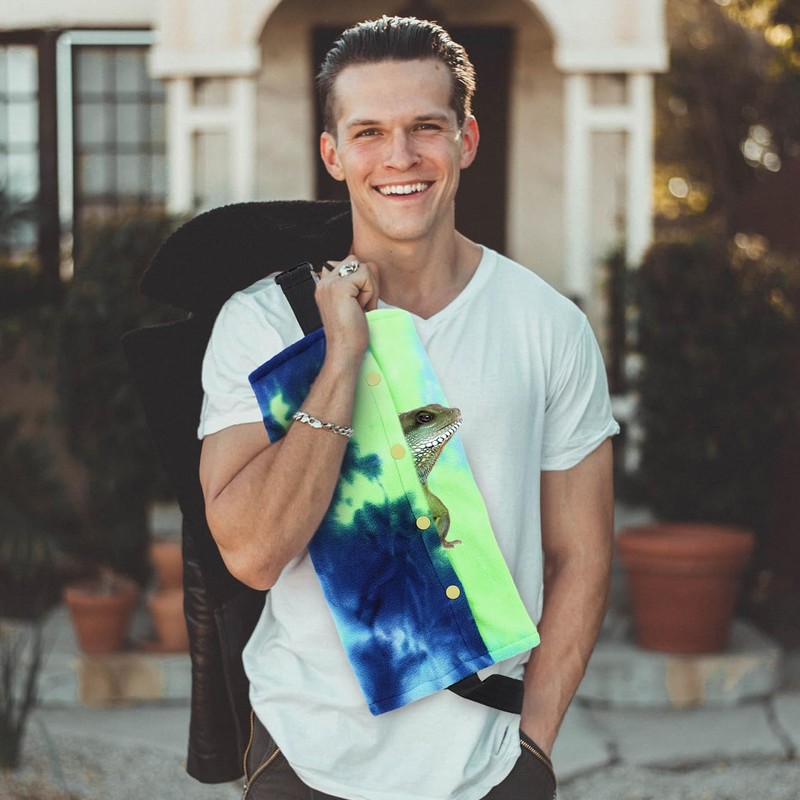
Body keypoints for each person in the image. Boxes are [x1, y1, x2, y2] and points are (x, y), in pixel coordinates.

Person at [198, 15, 618, 800]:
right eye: (369, 132)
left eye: (426, 126)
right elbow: (253, 554)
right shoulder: (263, 324)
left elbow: (583, 555)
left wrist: (532, 749)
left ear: (467, 139)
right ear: (333, 153)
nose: (400, 157)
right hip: (305, 758)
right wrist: (342, 359)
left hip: (488, 761)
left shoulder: (547, 325)